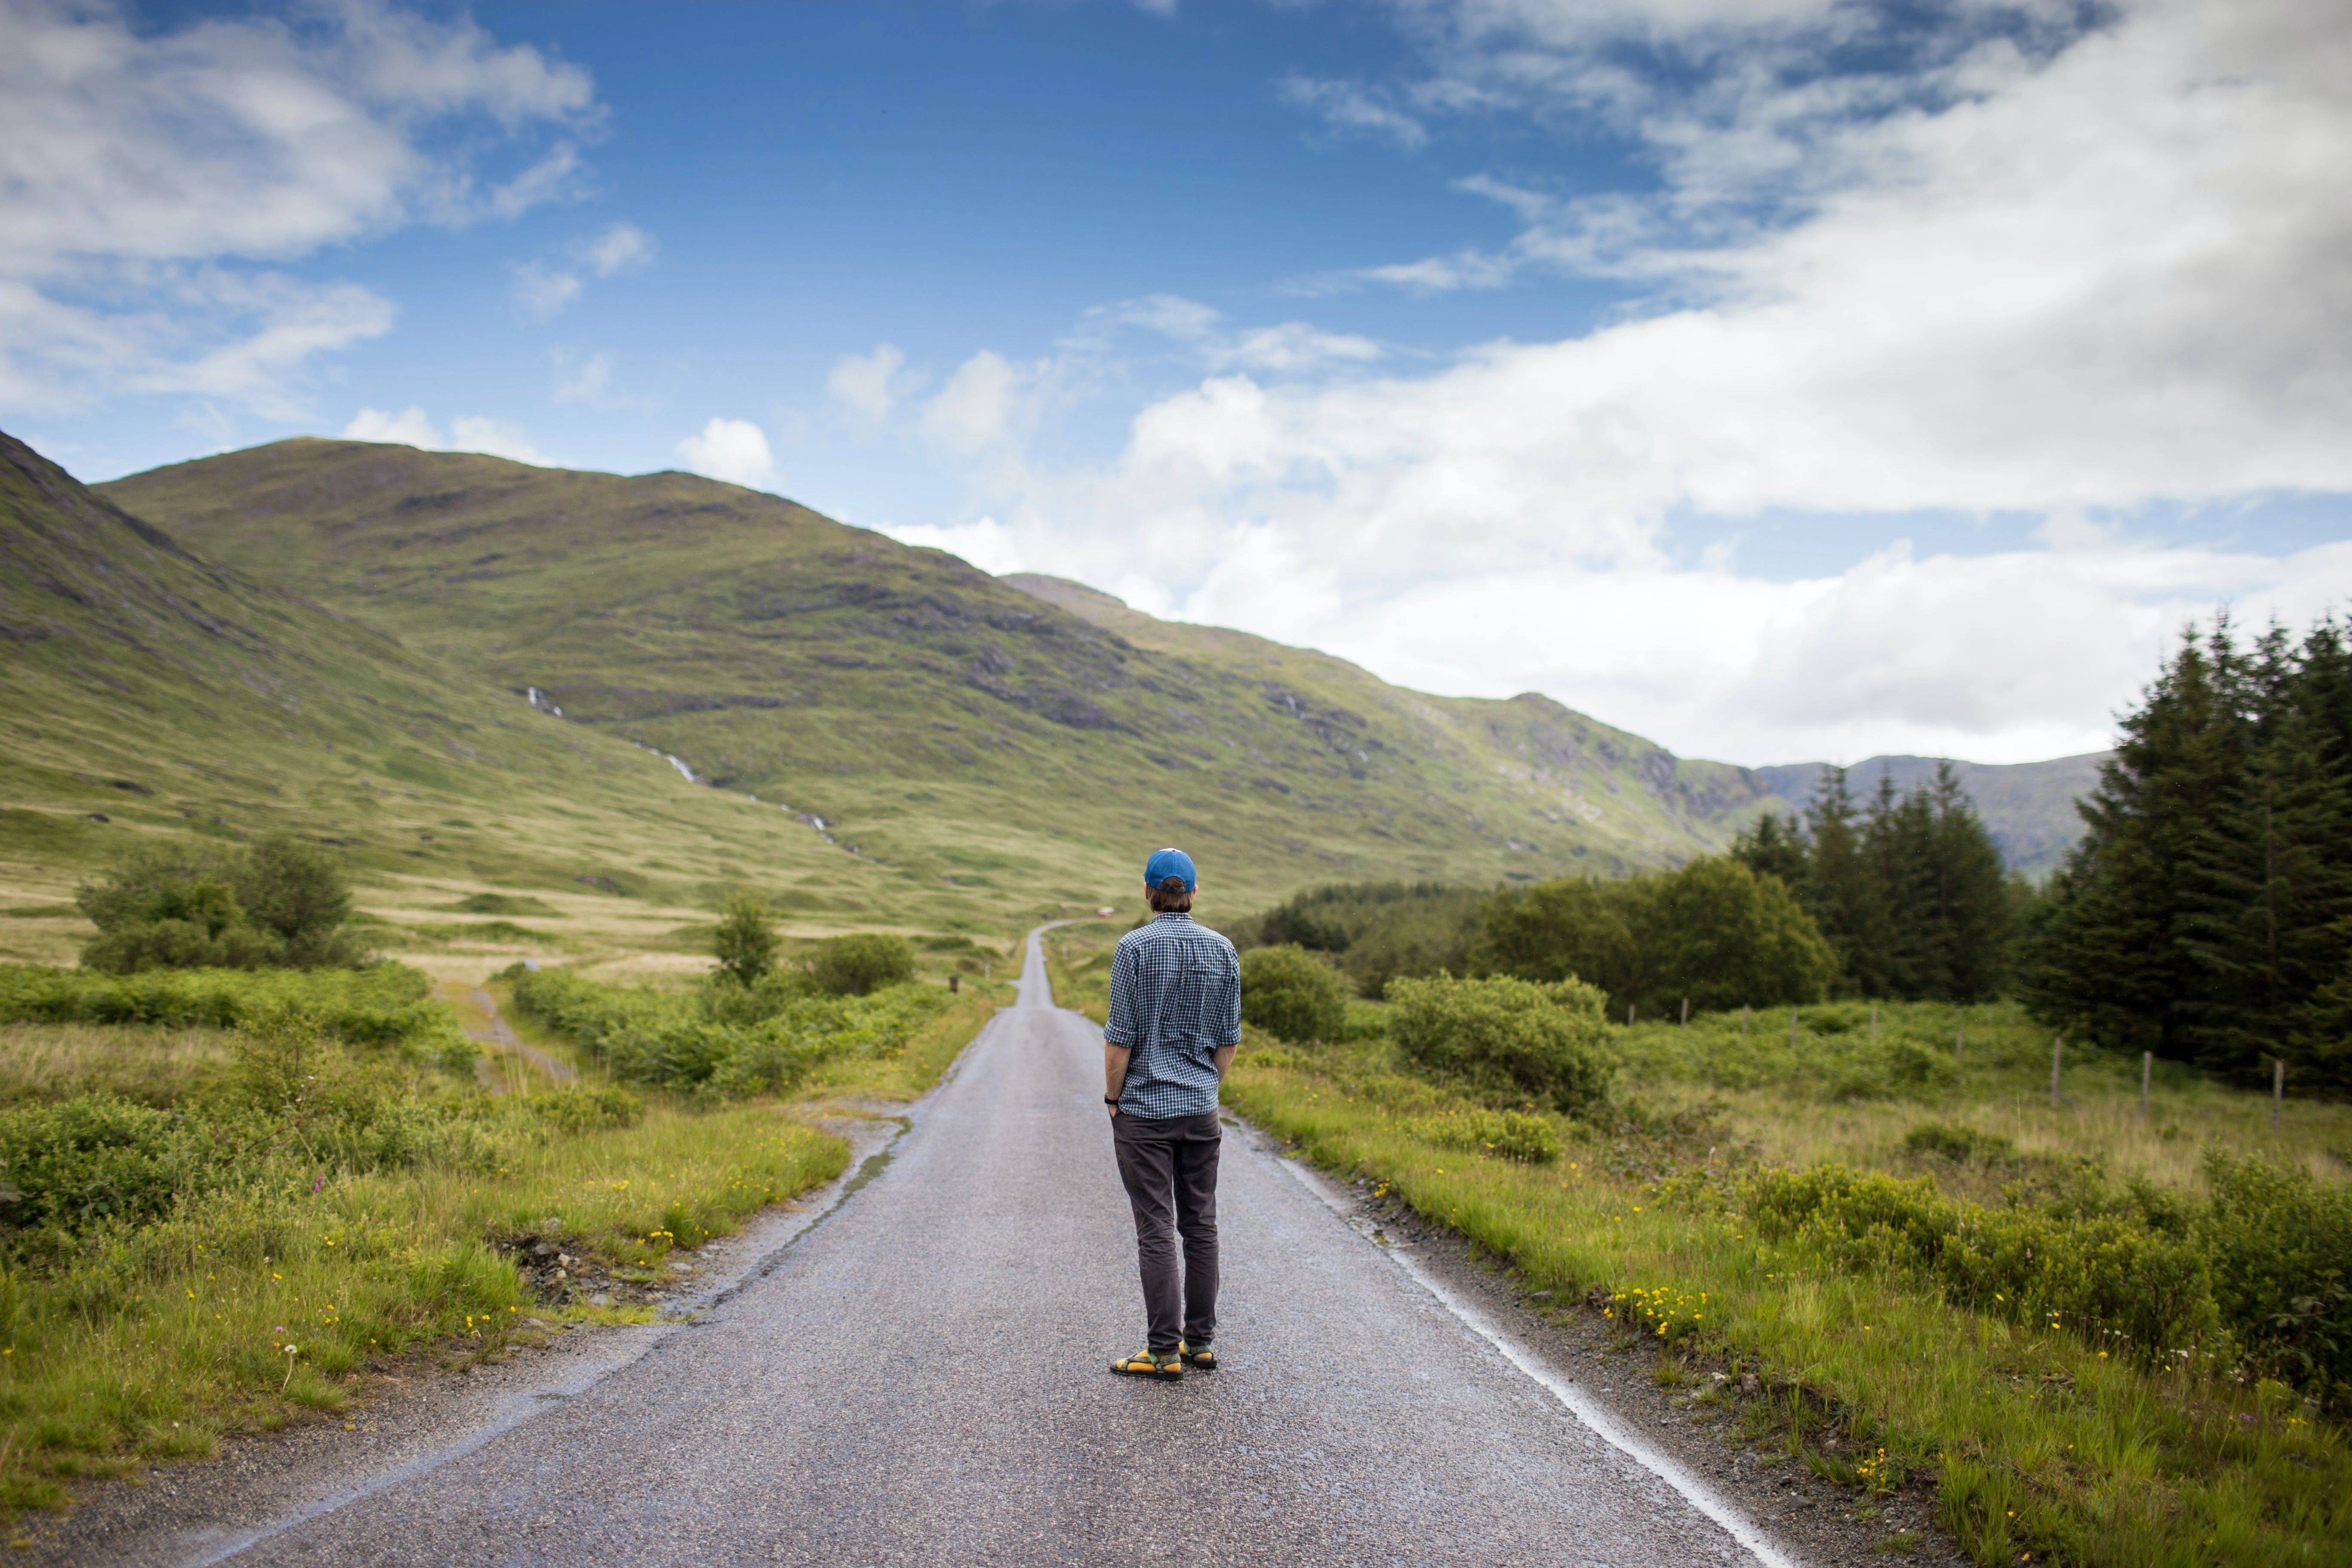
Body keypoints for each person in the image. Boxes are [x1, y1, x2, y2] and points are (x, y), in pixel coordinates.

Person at [1103, 846, 1240, 1381]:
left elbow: (1120, 1042)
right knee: (1200, 1226)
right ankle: (1200, 1343)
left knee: (1156, 1227)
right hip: (1200, 1109)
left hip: (1144, 1110)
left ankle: (1162, 1351)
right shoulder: (1223, 949)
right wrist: (1204, 1090)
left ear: (1146, 891)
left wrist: (1114, 1099)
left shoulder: (1133, 948)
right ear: (1194, 892)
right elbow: (1227, 1042)